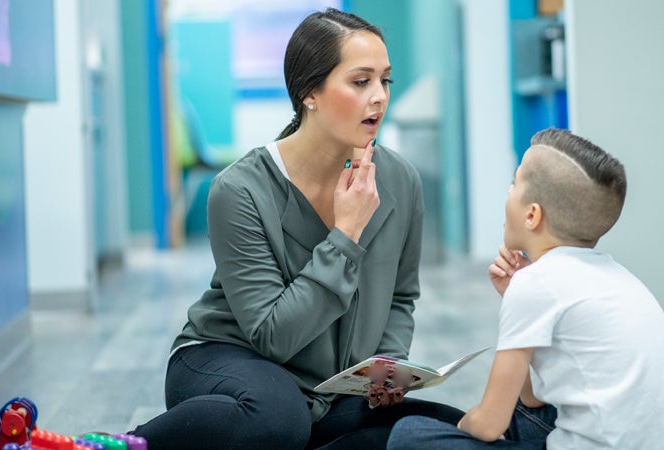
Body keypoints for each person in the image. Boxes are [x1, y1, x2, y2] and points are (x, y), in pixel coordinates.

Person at [128, 8, 462, 450]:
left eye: (385, 80)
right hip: (232, 358)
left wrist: (387, 369)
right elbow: (273, 336)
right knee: (277, 419)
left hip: (327, 389)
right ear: (310, 93)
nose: (379, 96)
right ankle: (111, 446)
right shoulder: (239, 189)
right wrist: (346, 234)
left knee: (445, 427)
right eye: (361, 81)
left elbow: (401, 296)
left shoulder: (401, 179)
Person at [387, 128, 664, 449]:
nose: (507, 190)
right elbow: (533, 400)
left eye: (515, 183)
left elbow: (489, 425)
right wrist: (514, 297)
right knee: (523, 412)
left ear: (532, 215)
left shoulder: (537, 285)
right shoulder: (616, 276)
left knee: (409, 434)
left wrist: (462, 426)